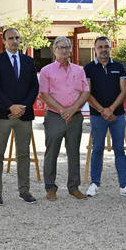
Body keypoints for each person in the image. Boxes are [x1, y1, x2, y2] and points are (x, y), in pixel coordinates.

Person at [83, 36, 126, 199]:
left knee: (119, 149)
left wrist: (111, 110)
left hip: (117, 115)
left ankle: (124, 185)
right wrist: (102, 110)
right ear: (95, 49)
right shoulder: (88, 68)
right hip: (97, 115)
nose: (103, 49)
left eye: (106, 46)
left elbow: (124, 91)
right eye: (100, 47)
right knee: (97, 149)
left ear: (110, 47)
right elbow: (87, 93)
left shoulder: (119, 66)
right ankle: (95, 184)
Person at [0, 28, 40, 205]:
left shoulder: (28, 60)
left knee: (24, 154)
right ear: (4, 41)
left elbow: (34, 86)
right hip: (3, 114)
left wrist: (23, 107)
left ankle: (24, 190)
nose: (14, 41)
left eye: (17, 37)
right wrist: (10, 106)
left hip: (24, 115)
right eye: (11, 38)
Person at [38, 36, 91, 201]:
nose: (64, 50)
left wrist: (73, 109)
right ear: (54, 50)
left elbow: (86, 92)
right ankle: (50, 188)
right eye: (60, 47)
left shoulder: (79, 70)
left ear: (70, 50)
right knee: (51, 152)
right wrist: (63, 111)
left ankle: (73, 187)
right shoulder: (47, 70)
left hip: (75, 117)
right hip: (55, 116)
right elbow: (43, 94)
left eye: (67, 47)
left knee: (74, 152)